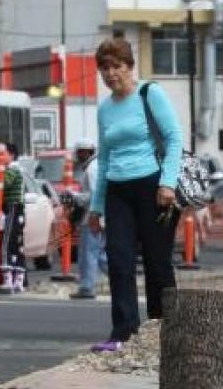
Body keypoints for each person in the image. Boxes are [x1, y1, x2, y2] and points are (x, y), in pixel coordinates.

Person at [87, 35, 183, 354]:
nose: (111, 74)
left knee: (157, 262)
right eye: (104, 68)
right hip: (118, 189)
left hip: (152, 186)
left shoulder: (149, 93)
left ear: (129, 67)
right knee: (119, 261)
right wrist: (96, 207)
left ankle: (164, 326)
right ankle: (124, 331)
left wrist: (167, 183)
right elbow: (104, 159)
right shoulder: (104, 110)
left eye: (116, 67)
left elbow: (173, 138)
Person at [66, 138, 107, 300]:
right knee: (100, 255)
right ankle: (124, 277)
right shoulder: (94, 167)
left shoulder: (92, 169)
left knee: (88, 254)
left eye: (80, 152)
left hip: (92, 216)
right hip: (96, 216)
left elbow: (94, 194)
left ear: (86, 152)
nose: (78, 155)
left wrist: (75, 197)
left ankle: (87, 287)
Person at [1, 142, 26, 292]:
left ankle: (8, 279)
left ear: (11, 155)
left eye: (2, 154)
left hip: (13, 208)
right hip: (19, 210)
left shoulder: (12, 169)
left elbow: (3, 182)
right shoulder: (18, 168)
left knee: (6, 245)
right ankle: (19, 281)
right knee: (18, 246)